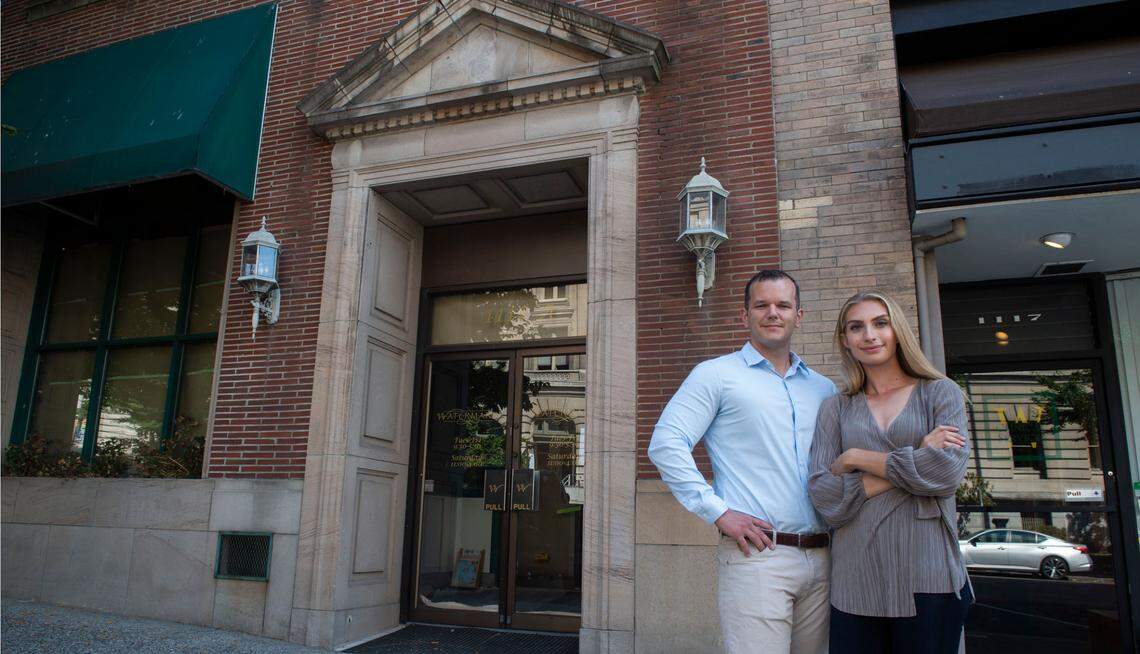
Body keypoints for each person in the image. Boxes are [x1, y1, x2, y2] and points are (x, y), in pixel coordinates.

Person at [649, 270, 837, 654]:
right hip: (758, 558)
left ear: (799, 315)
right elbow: (666, 443)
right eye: (761, 305)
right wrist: (718, 512)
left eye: (783, 305)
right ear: (744, 316)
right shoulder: (716, 375)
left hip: (824, 558)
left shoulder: (824, 388)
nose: (773, 313)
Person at [807, 290, 972, 654]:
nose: (870, 335)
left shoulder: (940, 393)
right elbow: (824, 496)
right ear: (845, 340)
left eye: (880, 323)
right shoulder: (835, 408)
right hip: (855, 578)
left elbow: (946, 475)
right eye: (856, 327)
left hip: (928, 571)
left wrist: (855, 457)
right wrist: (917, 458)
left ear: (897, 330)